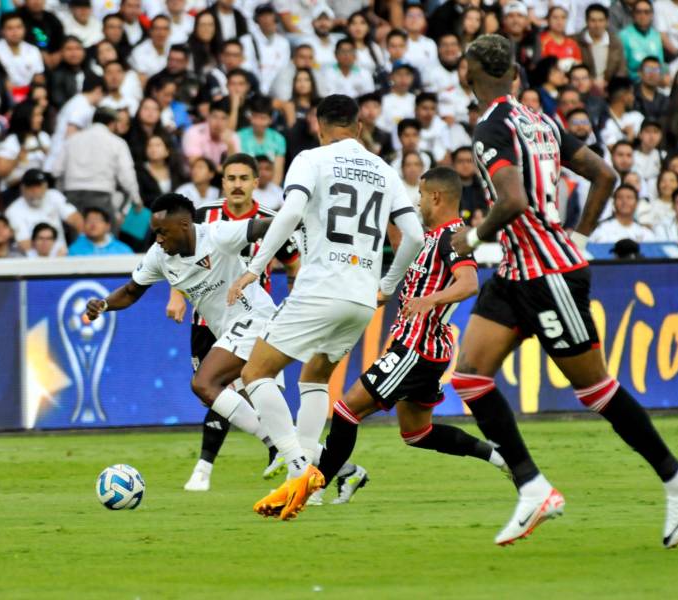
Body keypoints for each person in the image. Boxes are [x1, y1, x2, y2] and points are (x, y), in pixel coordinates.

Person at [448, 34, 678, 547]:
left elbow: (515, 201)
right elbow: (604, 174)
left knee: (595, 390)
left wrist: (472, 237)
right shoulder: (540, 121)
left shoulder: (491, 127)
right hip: (520, 272)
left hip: (548, 277)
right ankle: (532, 487)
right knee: (470, 376)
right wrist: (580, 236)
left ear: (469, 72)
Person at [227, 94, 425, 520]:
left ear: (319, 126)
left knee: (255, 373)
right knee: (315, 377)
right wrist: (387, 286)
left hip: (319, 287)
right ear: (358, 127)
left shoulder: (310, 159)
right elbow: (414, 236)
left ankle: (300, 467)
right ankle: (314, 485)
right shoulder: (384, 170)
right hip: (360, 297)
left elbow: (290, 212)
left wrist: (254, 267)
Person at [312, 167, 509, 506]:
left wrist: (427, 300)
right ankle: (497, 455)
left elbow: (469, 283)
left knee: (346, 410)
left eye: (420, 195)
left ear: (436, 196)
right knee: (418, 433)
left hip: (416, 347)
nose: (418, 202)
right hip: (423, 348)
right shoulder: (431, 237)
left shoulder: (454, 237)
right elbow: (402, 245)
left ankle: (314, 491)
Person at [84, 193, 279, 480]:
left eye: (163, 232)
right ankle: (341, 469)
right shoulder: (159, 257)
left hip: (256, 319)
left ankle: (276, 446)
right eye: (155, 233)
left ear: (185, 225)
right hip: (231, 331)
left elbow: (261, 227)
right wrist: (103, 304)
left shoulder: (218, 235)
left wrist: (302, 219)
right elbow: (130, 292)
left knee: (205, 383)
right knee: (265, 409)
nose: (158, 239)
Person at [176, 153, 301, 492]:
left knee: (251, 389)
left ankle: (204, 469)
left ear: (255, 182)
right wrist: (176, 295)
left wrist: (293, 301)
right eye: (231, 178)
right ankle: (308, 460)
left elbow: (294, 262)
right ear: (223, 182)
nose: (236, 185)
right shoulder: (203, 217)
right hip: (208, 322)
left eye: (244, 178)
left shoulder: (271, 219)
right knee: (215, 393)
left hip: (255, 320)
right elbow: (176, 253)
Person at [53, 107, 142, 224]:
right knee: (103, 236)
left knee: (76, 237)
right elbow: (127, 175)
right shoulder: (117, 143)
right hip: (100, 195)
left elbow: (56, 171)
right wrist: (136, 198)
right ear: (112, 123)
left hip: (72, 195)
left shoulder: (72, 140)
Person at [6, 168, 83, 255]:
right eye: (30, 187)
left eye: (38, 186)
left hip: (62, 255)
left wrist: (77, 247)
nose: (35, 191)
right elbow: (24, 244)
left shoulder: (54, 196)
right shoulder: (13, 210)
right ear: (22, 189)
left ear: (45, 186)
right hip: (32, 260)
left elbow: (77, 220)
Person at [0, 11, 44, 103]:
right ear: (2, 31)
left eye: (19, 27)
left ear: (24, 29)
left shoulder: (33, 50)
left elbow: (39, 77)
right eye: (10, 28)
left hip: (29, 95)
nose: (15, 32)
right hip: (4, 96)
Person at [237, 96, 286, 185]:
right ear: (250, 117)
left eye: (263, 118)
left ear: (270, 120)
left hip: (269, 189)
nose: (258, 122)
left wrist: (269, 194)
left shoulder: (278, 139)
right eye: (255, 117)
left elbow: (277, 174)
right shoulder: (239, 136)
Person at [181, 99, 239, 167]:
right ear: (208, 117)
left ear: (228, 121)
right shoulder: (193, 132)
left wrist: (230, 146)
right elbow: (196, 165)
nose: (218, 123)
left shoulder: (233, 137)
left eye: (223, 118)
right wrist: (224, 170)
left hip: (222, 176)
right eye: (215, 117)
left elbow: (236, 168)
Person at [589, 185, 656, 243]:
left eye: (629, 197)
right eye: (620, 197)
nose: (624, 201)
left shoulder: (645, 233)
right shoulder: (601, 229)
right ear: (614, 203)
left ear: (636, 203)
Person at [68, 207, 133, 255]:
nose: (93, 224)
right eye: (89, 220)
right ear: (84, 225)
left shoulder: (123, 250)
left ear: (107, 226)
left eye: (97, 220)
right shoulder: (74, 250)